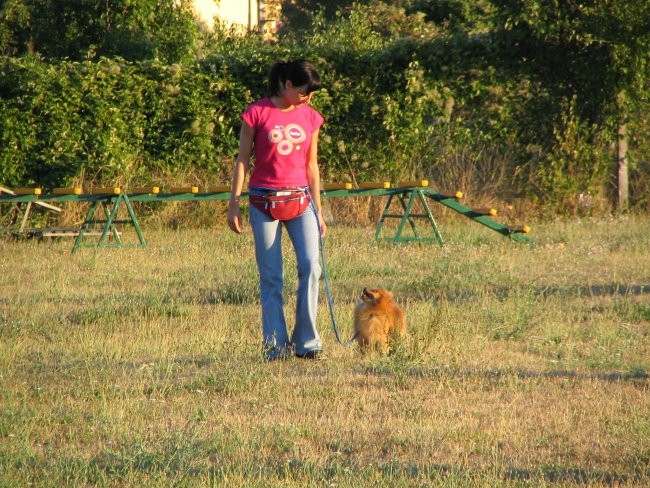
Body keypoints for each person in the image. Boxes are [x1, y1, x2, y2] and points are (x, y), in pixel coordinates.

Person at [227, 59, 326, 361]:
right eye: (304, 92)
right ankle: (276, 347)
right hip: (263, 202)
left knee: (311, 266)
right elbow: (242, 160)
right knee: (272, 278)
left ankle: (307, 343)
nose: (308, 98)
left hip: (301, 201)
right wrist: (234, 203)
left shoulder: (311, 117)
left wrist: (319, 211)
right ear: (287, 85)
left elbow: (311, 165)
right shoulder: (256, 114)